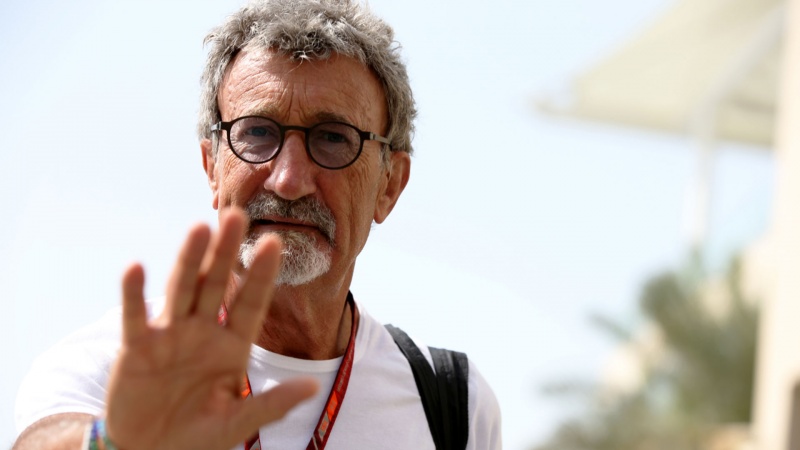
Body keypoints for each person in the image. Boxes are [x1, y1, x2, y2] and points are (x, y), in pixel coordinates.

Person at [13, 0, 502, 448]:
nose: (288, 181)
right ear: (212, 166)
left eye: (333, 138)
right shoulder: (115, 369)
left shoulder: (452, 405)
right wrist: (113, 441)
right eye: (258, 132)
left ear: (389, 185)